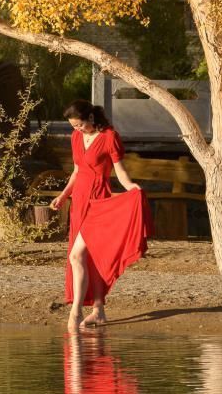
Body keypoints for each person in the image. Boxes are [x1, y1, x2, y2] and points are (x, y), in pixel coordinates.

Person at [50, 99, 153, 332]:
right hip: (79, 201)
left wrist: (132, 188)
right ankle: (99, 310)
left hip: (99, 201)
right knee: (90, 258)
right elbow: (77, 171)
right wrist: (64, 195)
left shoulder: (109, 137)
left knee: (76, 256)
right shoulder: (76, 138)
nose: (77, 129)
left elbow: (120, 171)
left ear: (91, 118)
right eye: (73, 126)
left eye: (79, 125)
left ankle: (76, 311)